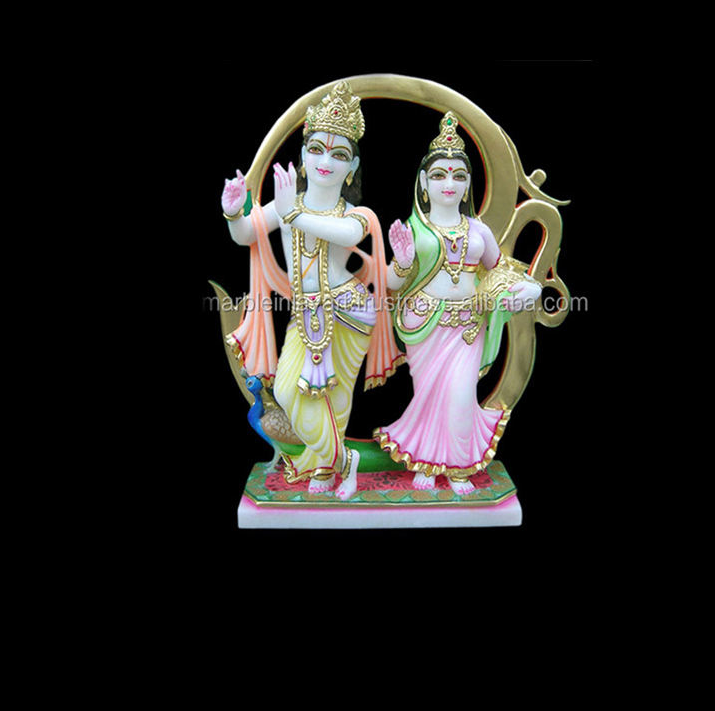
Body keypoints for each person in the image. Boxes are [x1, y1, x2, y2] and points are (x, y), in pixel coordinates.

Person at [222, 81, 402, 499]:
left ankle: (324, 470)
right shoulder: (288, 205)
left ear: (352, 167)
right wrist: (232, 212)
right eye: (316, 149)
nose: (325, 161)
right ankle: (344, 461)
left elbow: (343, 234)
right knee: (288, 392)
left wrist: (293, 215)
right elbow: (247, 234)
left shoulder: (356, 214)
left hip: (350, 311)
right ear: (302, 156)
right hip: (305, 313)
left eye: (339, 154)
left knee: (333, 399)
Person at [374, 112, 541, 495]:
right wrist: (402, 263)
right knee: (429, 398)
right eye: (438, 175)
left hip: (467, 327)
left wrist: (527, 288)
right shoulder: (414, 229)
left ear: (467, 185)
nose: (448, 184)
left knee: (460, 397)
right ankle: (427, 463)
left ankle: (459, 466)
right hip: (424, 326)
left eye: (458, 176)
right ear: (423, 183)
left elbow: (500, 271)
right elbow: (389, 283)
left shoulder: (478, 230)